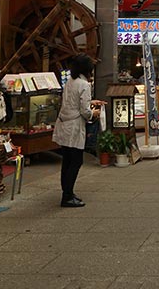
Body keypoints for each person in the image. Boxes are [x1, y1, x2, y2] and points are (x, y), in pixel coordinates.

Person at [53, 54, 102, 208]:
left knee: (67, 161)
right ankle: (67, 196)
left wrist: (90, 103)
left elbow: (71, 101)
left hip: (64, 123)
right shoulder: (85, 85)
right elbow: (85, 112)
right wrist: (94, 113)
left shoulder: (70, 81)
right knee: (76, 161)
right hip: (74, 127)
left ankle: (67, 192)